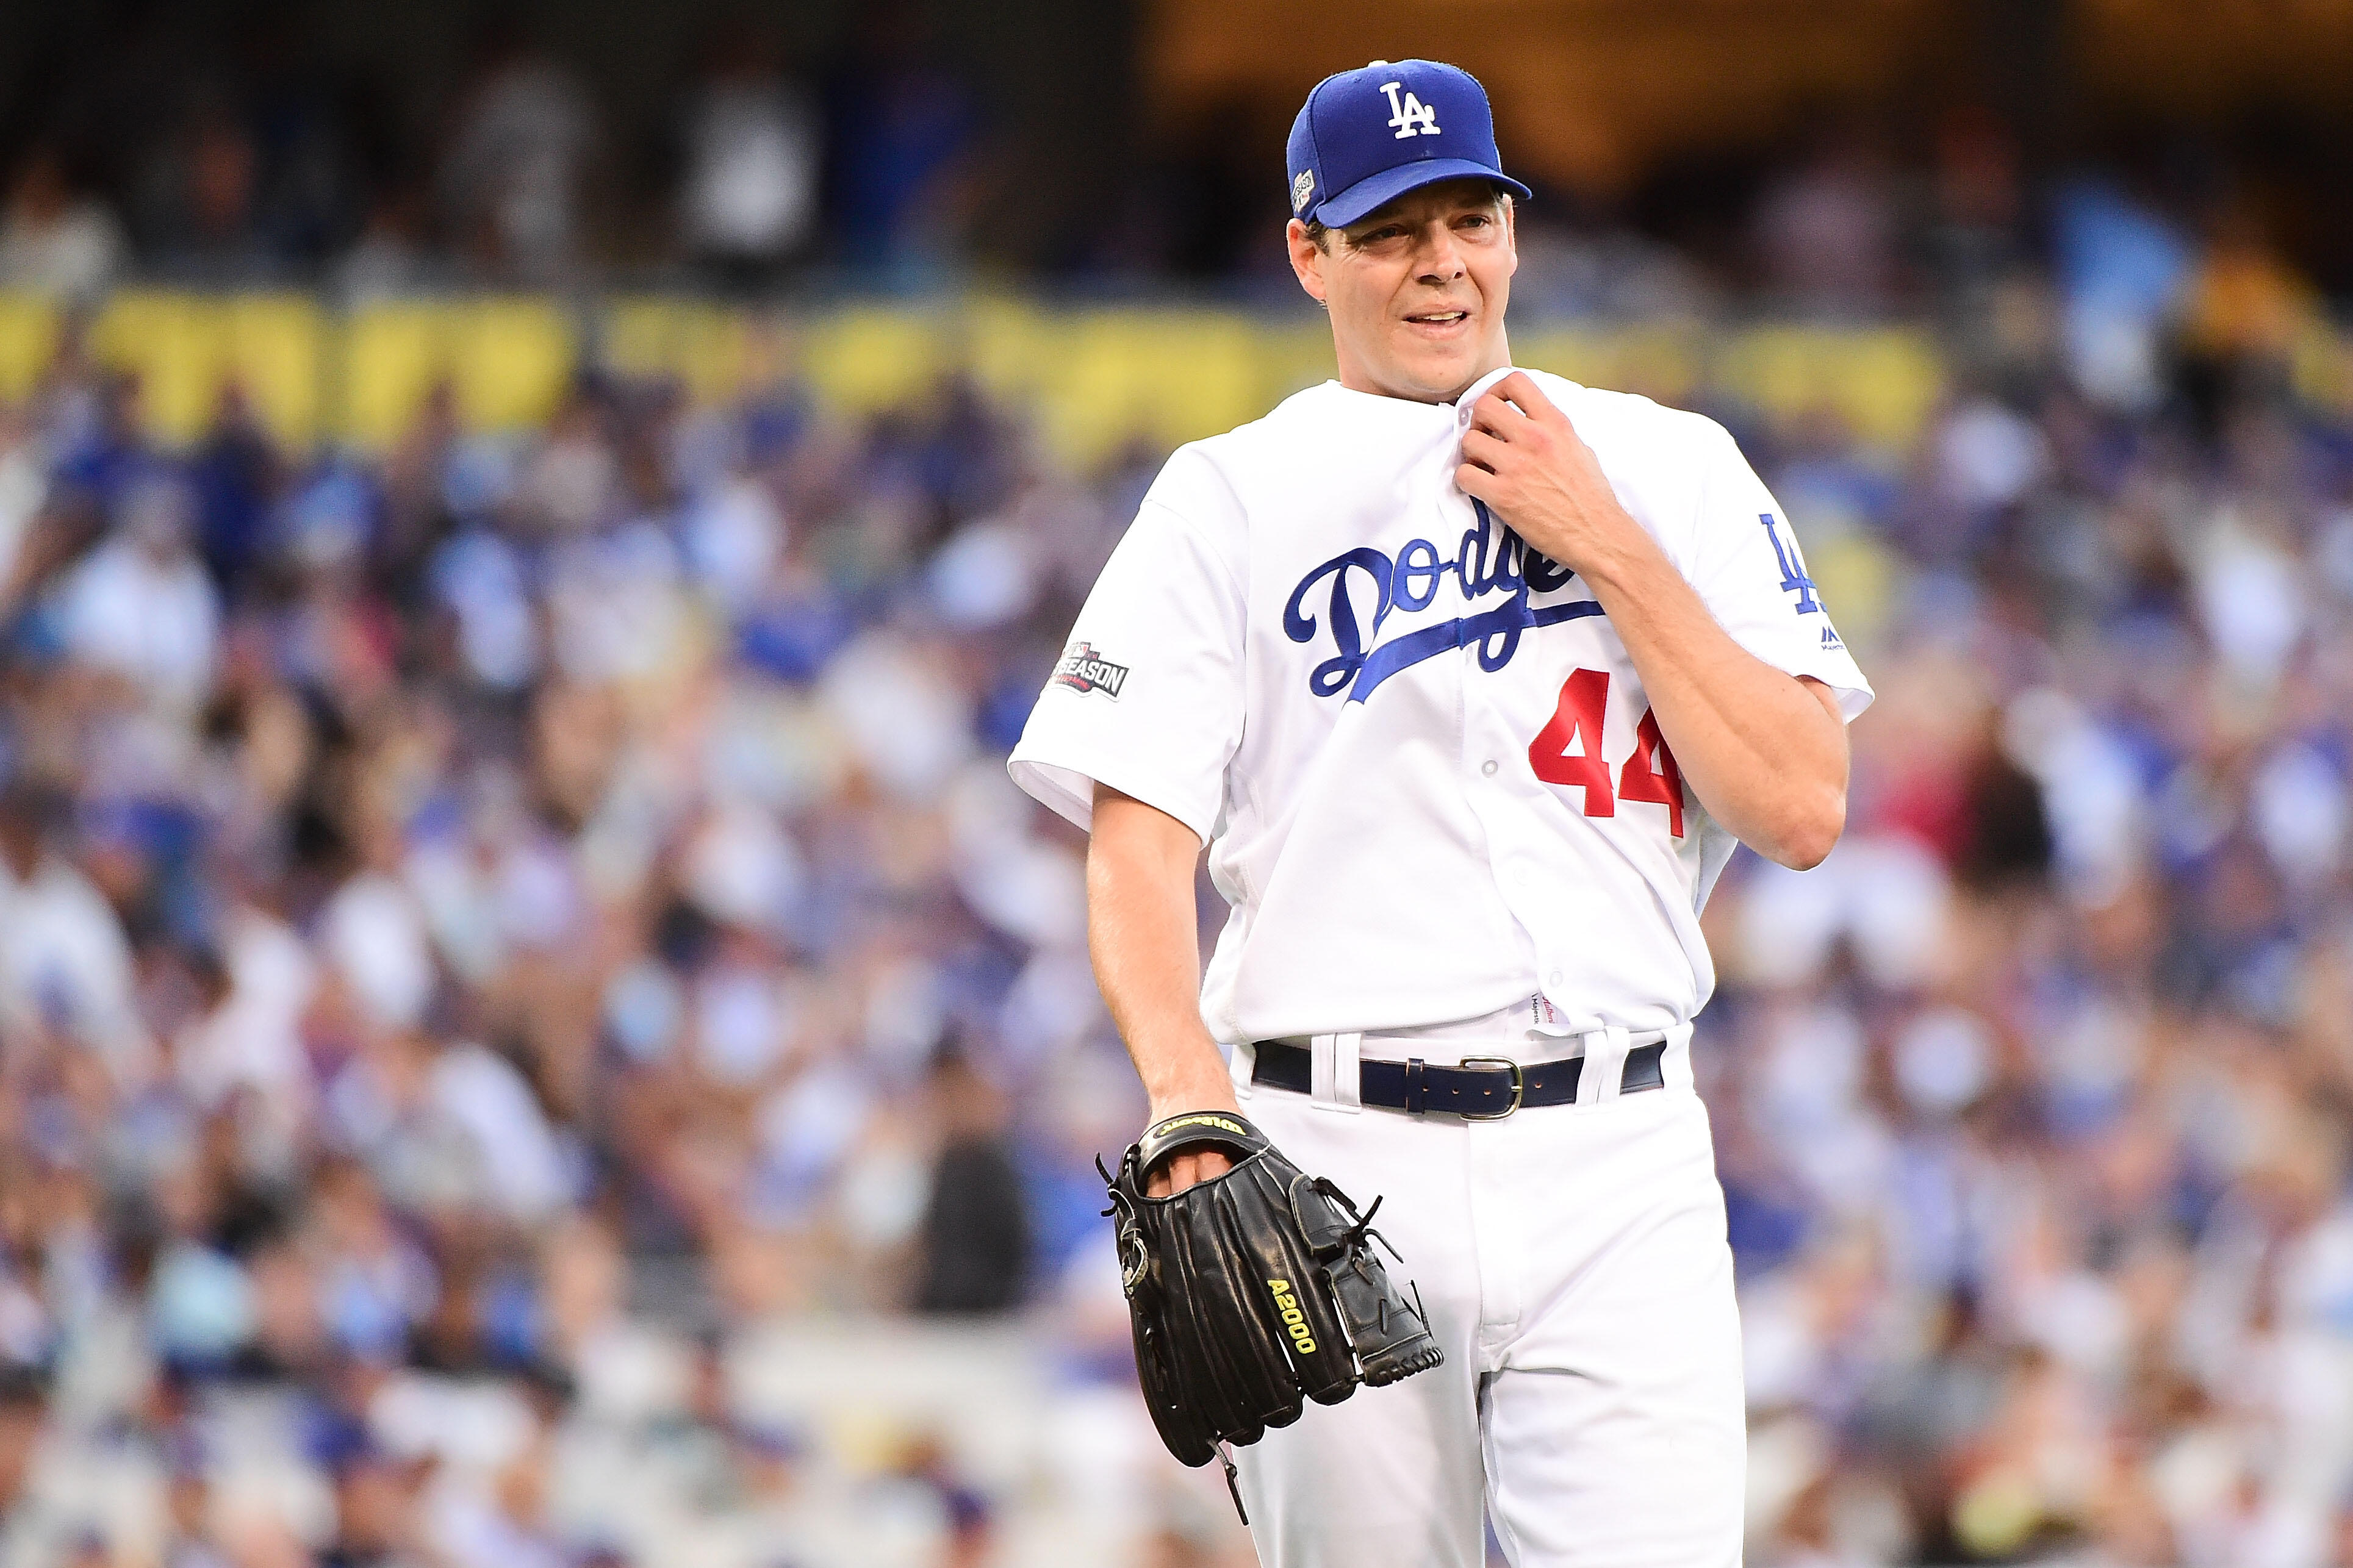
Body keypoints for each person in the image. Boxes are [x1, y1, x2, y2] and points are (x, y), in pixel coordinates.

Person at [1008, 59, 1872, 1568]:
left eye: (1469, 219)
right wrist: (1183, 1097)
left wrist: (1602, 536)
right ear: (1309, 253)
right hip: (1335, 1148)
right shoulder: (1229, 497)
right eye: (1391, 229)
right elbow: (1135, 845)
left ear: (1515, 237)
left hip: (1622, 1150)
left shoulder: (1669, 467)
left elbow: (1800, 800)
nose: (1441, 264)